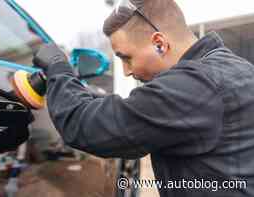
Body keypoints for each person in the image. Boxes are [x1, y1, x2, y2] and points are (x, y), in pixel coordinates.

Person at [32, 0, 254, 196]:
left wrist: (58, 68)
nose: (127, 71)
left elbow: (88, 127)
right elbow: (134, 109)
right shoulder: (235, 68)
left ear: (159, 43)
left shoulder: (193, 86)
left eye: (126, 58)